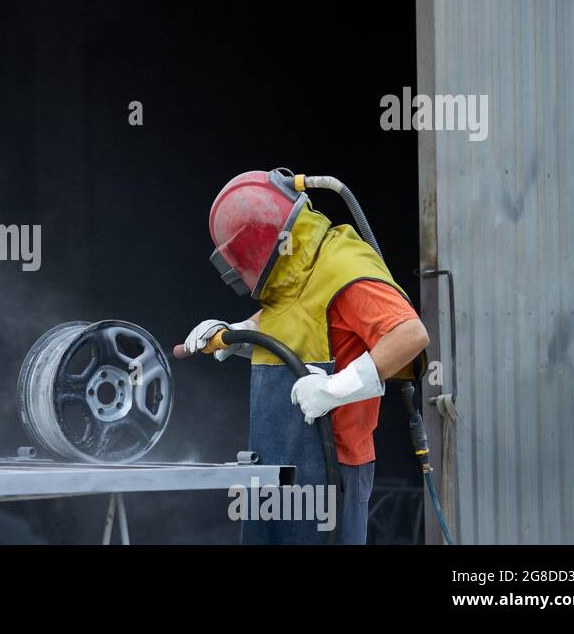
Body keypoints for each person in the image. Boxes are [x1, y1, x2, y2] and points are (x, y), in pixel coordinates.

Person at [181, 169, 428, 544]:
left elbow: (410, 334)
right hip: (276, 457)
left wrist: (336, 387)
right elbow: (291, 319)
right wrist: (234, 334)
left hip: (334, 466)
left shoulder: (343, 266)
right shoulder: (293, 273)